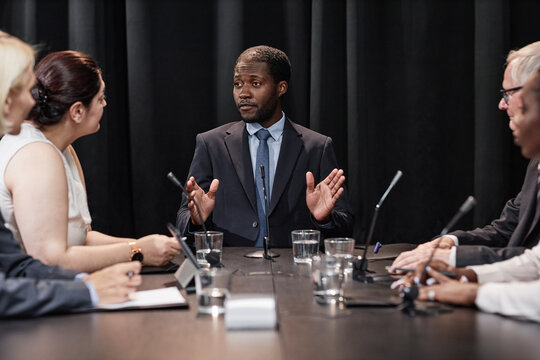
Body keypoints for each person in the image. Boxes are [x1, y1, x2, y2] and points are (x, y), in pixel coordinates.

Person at [0, 50, 181, 272]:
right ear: (77, 111)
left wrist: (149, 245)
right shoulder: (36, 155)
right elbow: (49, 260)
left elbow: (81, 238)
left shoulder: (62, 148)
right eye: (101, 98)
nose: (105, 105)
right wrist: (137, 251)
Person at [0, 31, 141, 317]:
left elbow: (16, 264)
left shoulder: (58, 149)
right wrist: (90, 288)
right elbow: (44, 260)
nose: (32, 103)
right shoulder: (36, 152)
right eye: (25, 91)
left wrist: (87, 282)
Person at [176, 45, 353, 247]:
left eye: (256, 83)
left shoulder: (317, 147)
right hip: (232, 271)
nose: (243, 93)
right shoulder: (211, 144)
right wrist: (196, 220)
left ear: (281, 88)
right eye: (237, 84)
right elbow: (182, 219)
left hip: (293, 271)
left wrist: (325, 219)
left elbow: (346, 225)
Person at [392, 41, 540, 269]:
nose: (502, 104)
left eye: (508, 93)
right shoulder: (536, 162)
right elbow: (507, 229)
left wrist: (454, 262)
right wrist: (451, 242)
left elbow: (534, 261)